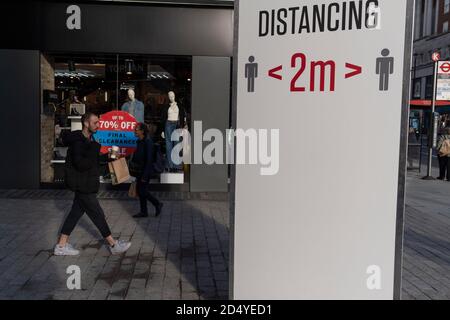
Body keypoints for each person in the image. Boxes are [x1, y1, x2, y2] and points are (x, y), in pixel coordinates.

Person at [54, 113, 131, 256]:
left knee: (75, 214)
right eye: (95, 122)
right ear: (86, 123)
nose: (98, 125)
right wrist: (95, 149)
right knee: (97, 214)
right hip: (83, 185)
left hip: (86, 182)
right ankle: (113, 245)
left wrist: (107, 157)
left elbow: (92, 160)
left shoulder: (88, 140)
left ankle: (61, 245)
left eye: (98, 122)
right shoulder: (78, 142)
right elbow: (81, 164)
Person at [130, 122, 164, 218]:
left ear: (142, 131)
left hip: (145, 171)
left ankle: (157, 203)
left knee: (142, 191)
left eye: (137, 129)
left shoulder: (148, 142)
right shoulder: (139, 141)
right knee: (141, 190)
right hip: (139, 170)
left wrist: (145, 175)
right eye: (135, 129)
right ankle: (144, 211)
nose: (135, 131)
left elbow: (149, 160)